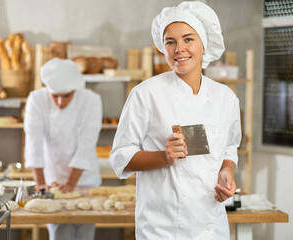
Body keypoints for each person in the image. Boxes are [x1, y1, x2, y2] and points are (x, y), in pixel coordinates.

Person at [109, 1, 241, 239]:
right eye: (170, 42)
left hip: (212, 227)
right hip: (163, 228)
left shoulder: (226, 97)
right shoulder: (146, 93)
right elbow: (120, 158)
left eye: (188, 39)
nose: (179, 48)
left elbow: (230, 148)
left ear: (204, 44)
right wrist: (164, 156)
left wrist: (226, 172)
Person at [24, 58, 102, 240]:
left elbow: (87, 142)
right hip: (53, 178)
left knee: (84, 234)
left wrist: (71, 183)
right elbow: (33, 139)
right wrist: (41, 183)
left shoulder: (91, 100)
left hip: (85, 178)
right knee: (60, 234)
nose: (60, 102)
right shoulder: (36, 99)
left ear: (75, 89)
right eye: (55, 96)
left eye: (66, 96)